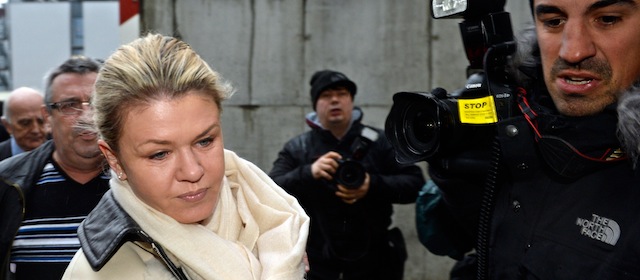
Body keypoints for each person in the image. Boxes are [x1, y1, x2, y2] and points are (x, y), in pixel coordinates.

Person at [416, 0, 640, 279]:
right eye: (553, 21)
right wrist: (460, 187)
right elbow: (468, 246)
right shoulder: (518, 126)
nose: (573, 51)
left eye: (607, 19)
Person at [62, 33, 310, 280]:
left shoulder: (279, 229)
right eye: (160, 154)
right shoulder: (96, 274)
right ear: (114, 159)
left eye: (205, 141)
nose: (192, 171)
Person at [269, 69, 425, 280]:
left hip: (375, 259)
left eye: (342, 94)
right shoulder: (298, 147)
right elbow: (271, 190)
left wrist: (371, 185)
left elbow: (415, 184)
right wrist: (309, 172)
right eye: (326, 95)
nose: (335, 100)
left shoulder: (379, 141)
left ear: (352, 101)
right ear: (315, 104)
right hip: (318, 261)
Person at [0, 56, 108, 280]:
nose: (87, 116)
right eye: (70, 106)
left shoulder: (140, 179)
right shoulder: (7, 183)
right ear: (47, 117)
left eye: (97, 103)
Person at [0, 87, 47, 160]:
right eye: (25, 123)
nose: (35, 130)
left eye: (41, 122)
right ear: (7, 125)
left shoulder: (61, 154)